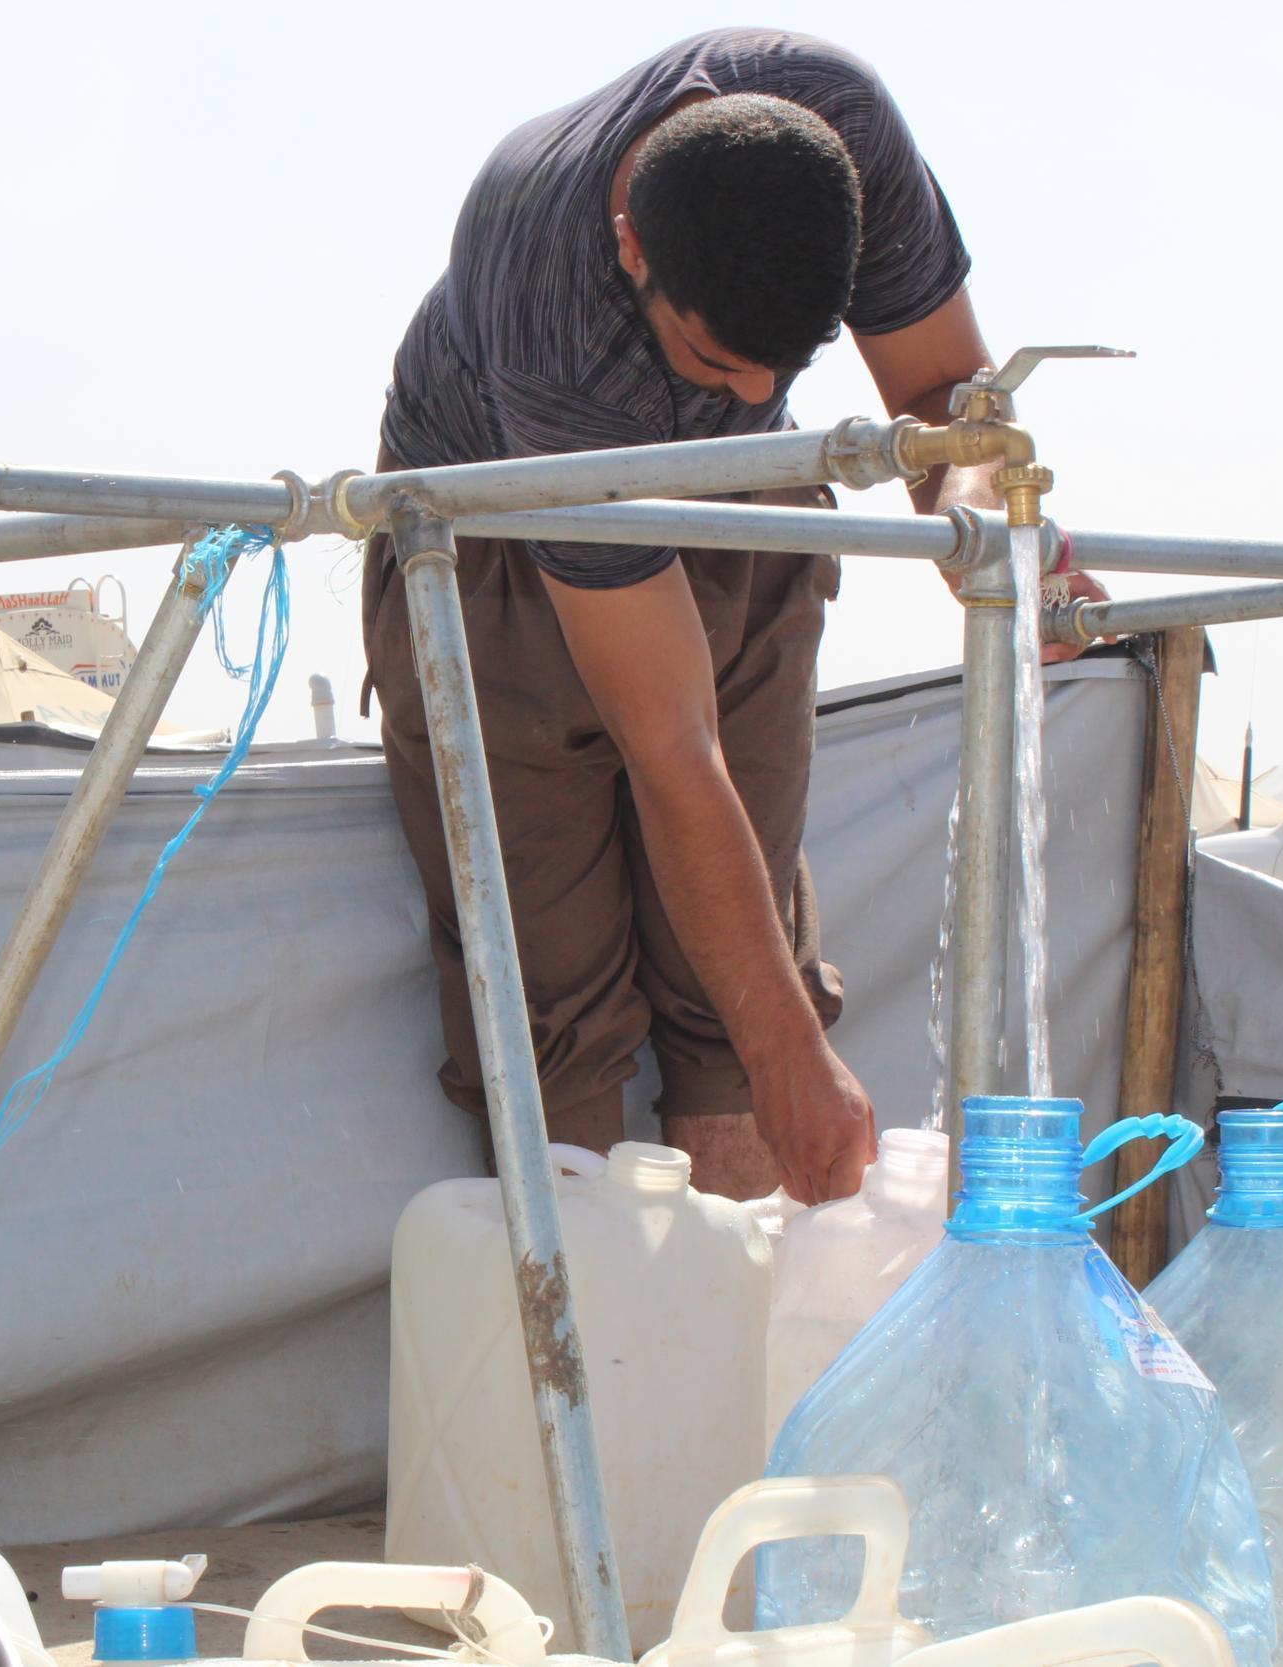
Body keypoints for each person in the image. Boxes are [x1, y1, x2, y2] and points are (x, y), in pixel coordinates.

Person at [363, 30, 1105, 1205]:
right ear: (631, 247)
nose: (758, 391)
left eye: (787, 361)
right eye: (714, 356)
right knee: (553, 999)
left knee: (741, 977)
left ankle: (745, 1347)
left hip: (732, 503)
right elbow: (672, 746)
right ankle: (595, 1367)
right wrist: (790, 1054)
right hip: (492, 535)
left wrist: (983, 535)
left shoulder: (836, 128)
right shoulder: (555, 300)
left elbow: (936, 398)